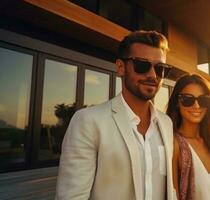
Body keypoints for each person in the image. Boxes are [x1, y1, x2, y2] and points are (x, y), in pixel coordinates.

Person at [56, 30, 176, 200]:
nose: (152, 75)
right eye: (142, 65)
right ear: (120, 67)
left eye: (161, 68)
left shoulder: (166, 123)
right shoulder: (89, 121)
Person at [166, 74, 210, 200]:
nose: (196, 106)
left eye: (203, 100)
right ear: (177, 102)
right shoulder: (174, 145)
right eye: (187, 99)